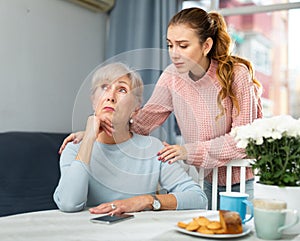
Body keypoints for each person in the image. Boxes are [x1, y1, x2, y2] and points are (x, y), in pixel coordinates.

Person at [59, 7, 263, 209]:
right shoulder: (172, 77)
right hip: (205, 178)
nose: (174, 54)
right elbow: (140, 122)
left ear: (206, 45)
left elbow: (243, 141)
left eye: (183, 46)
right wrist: (92, 132)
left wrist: (186, 151)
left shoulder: (237, 74)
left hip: (239, 180)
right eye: (170, 45)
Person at [53, 62, 208, 215]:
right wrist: (87, 139)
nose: (110, 97)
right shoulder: (74, 148)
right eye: (105, 87)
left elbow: (198, 198)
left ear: (136, 108)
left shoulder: (154, 149)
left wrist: (146, 201)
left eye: (121, 89)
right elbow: (69, 203)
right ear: (94, 100)